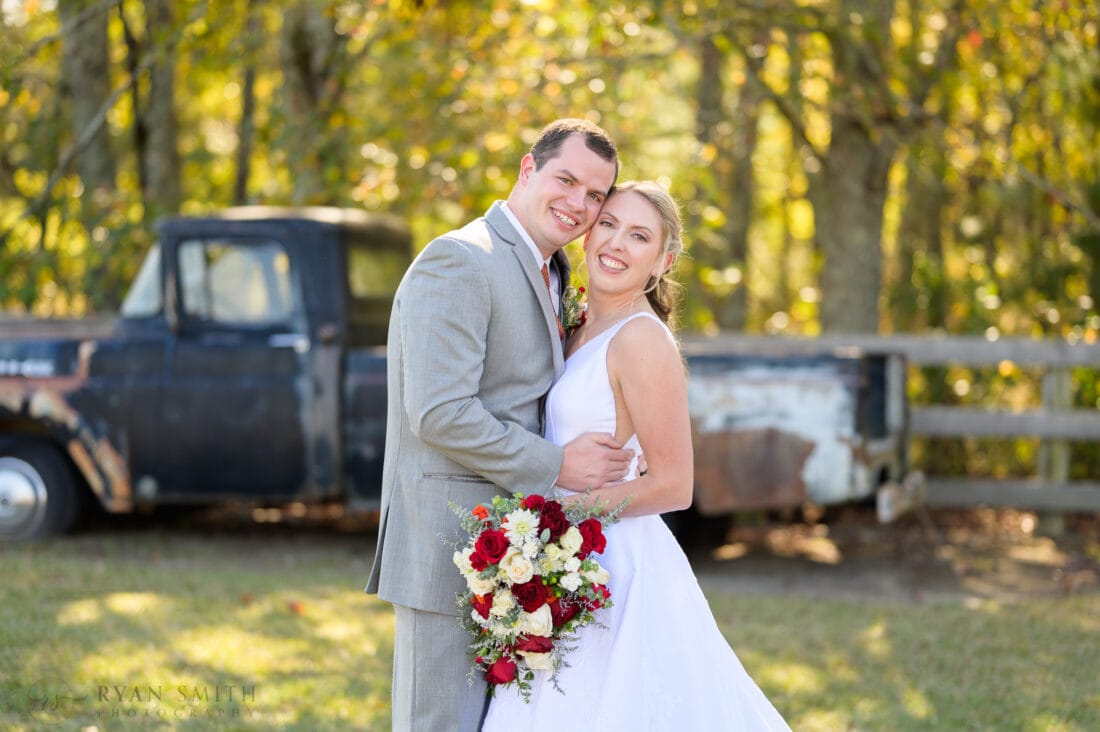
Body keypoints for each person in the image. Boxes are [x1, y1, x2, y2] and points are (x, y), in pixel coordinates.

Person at [482, 181, 790, 730]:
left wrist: (559, 522)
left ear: (662, 261)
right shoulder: (579, 325)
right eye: (609, 224)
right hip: (568, 558)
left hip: (610, 563)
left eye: (639, 236)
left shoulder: (641, 339)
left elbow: (674, 485)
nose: (616, 244)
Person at [365, 119, 636, 732]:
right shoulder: (460, 259)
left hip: (519, 556)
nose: (579, 204)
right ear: (526, 169)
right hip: (446, 552)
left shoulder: (555, 268)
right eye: (566, 180)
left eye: (596, 196)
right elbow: (438, 411)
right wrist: (559, 463)